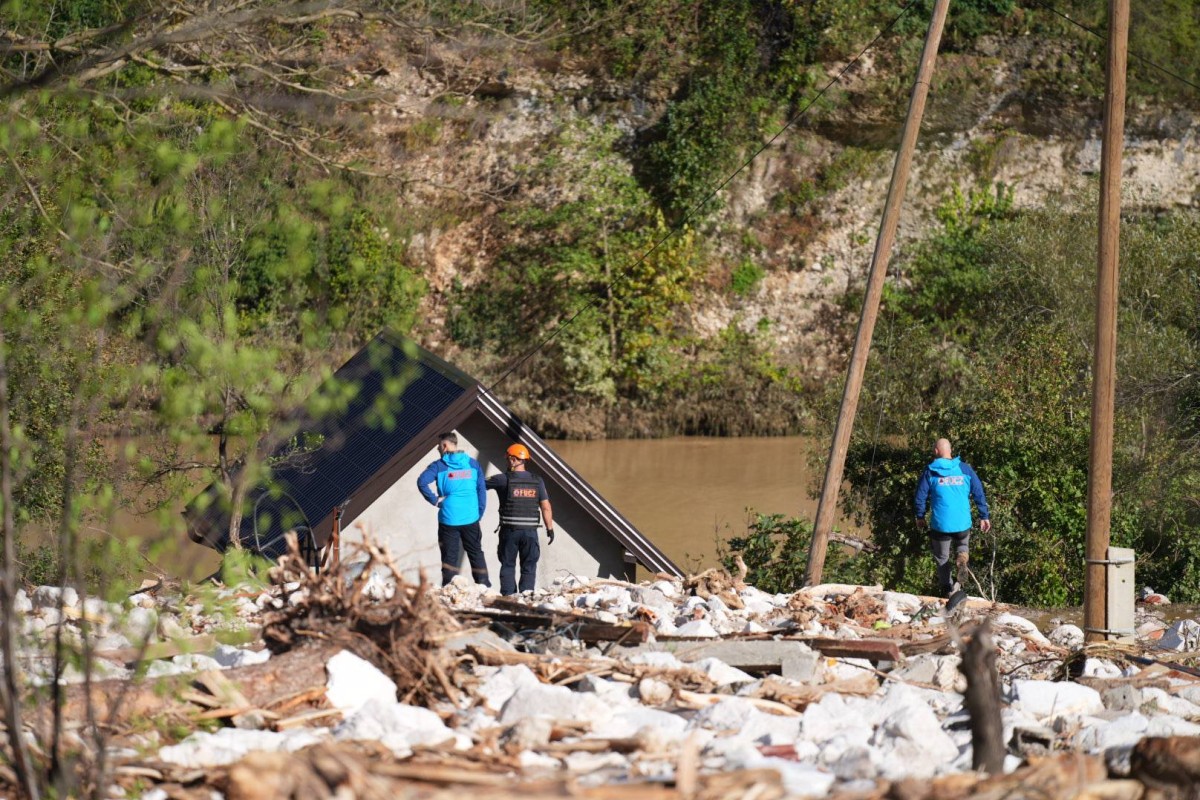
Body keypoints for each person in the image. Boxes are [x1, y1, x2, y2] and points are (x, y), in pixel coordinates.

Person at [914, 438, 991, 597]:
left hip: (941, 526)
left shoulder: (930, 471)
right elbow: (978, 491)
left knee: (942, 558)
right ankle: (962, 559)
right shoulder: (965, 469)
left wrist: (920, 516)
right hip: (962, 524)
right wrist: (984, 515)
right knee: (962, 546)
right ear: (951, 450)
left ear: (936, 451)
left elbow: (920, 497)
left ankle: (947, 589)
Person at [416, 432, 490, 587]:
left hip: (448, 519)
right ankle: (483, 586)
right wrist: (479, 513)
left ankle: (449, 589)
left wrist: (435, 500)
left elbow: (422, 482)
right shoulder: (473, 464)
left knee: (450, 558)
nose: (438, 450)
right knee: (476, 553)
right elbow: (481, 490)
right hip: (471, 518)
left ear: (444, 446)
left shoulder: (439, 466)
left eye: (438, 447)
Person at [486, 443, 554, 595]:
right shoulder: (537, 480)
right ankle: (526, 597)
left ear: (513, 460)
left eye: (508, 459)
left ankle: (509, 598)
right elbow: (546, 507)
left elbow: (477, 485)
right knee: (529, 566)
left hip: (509, 532)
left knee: (508, 565)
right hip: (530, 533)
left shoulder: (501, 479)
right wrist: (550, 528)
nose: (507, 462)